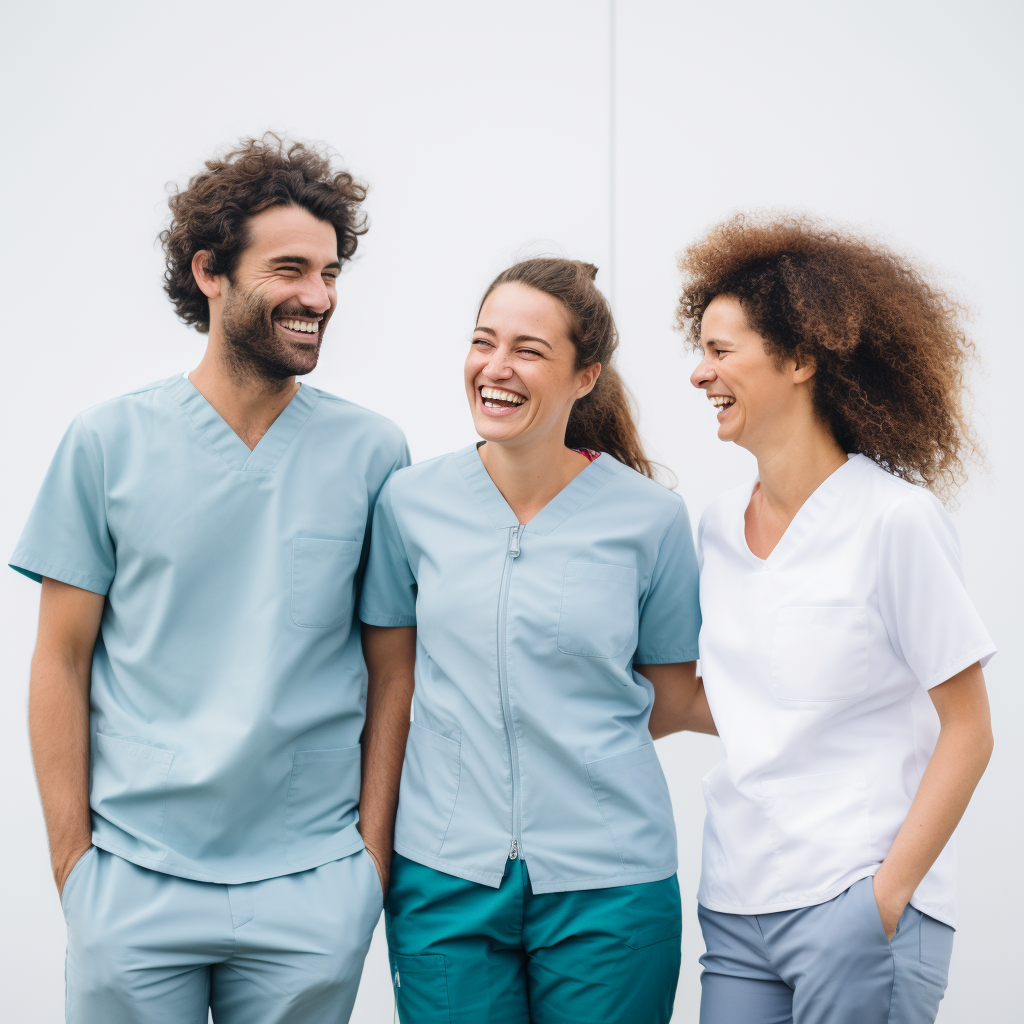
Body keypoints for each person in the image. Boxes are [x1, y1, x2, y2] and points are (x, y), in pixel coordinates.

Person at [9, 135, 408, 1023]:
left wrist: (366, 867)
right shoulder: (107, 442)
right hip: (134, 880)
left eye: (331, 273)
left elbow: (393, 669)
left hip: (310, 885)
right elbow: (59, 662)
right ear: (209, 272)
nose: (319, 297)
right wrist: (76, 871)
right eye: (291, 269)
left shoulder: (374, 453)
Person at [357, 257, 714, 1024]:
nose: (496, 367)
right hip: (442, 878)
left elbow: (671, 694)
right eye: (484, 342)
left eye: (528, 350)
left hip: (611, 885)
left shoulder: (649, 519)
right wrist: (372, 850)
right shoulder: (409, 503)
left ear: (586, 376)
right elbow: (390, 687)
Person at [678, 214, 996, 1024]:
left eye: (720, 351)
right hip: (738, 906)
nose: (698, 374)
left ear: (799, 358)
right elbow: (746, 702)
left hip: (855, 902)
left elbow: (969, 729)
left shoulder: (895, 521)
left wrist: (884, 899)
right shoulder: (716, 526)